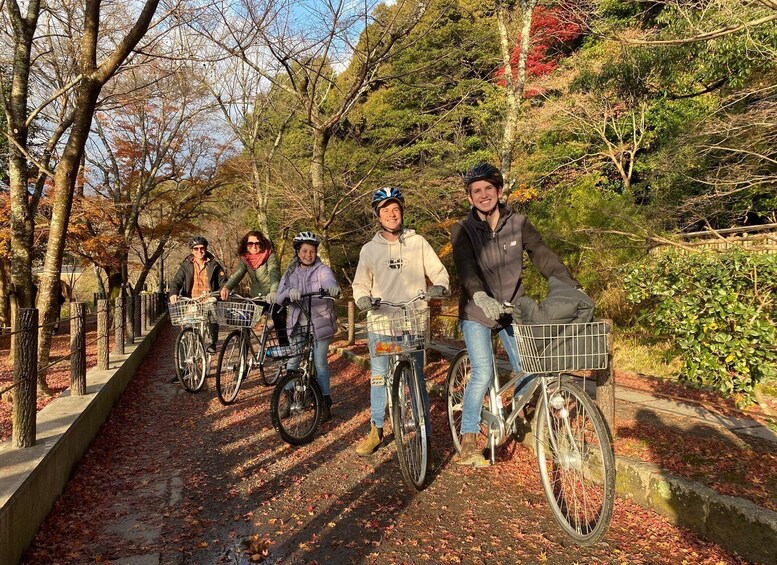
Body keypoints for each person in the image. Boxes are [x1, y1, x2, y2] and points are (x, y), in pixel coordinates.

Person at [450, 163, 581, 467]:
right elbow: (466, 267)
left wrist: (571, 286)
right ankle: (469, 440)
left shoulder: (519, 223)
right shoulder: (463, 230)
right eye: (476, 191)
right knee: (482, 370)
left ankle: (512, 411)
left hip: (512, 309)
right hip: (477, 311)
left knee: (529, 365)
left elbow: (543, 256)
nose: (483, 195)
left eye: (488, 188)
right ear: (470, 198)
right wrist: (480, 296)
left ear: (498, 191)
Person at [352, 187, 450, 456]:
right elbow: (360, 283)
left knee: (416, 378)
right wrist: (362, 298)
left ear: (402, 212)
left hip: (413, 322)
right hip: (383, 324)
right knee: (379, 377)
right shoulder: (369, 250)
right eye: (386, 210)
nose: (392, 214)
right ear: (378, 216)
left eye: (395, 209)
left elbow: (438, 271)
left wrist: (439, 286)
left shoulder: (418, 243)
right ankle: (376, 429)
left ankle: (424, 435)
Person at [275, 231, 340, 422]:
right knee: (293, 361)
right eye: (304, 251)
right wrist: (288, 292)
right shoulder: (290, 272)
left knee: (320, 363)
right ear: (297, 252)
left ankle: (325, 402)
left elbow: (329, 280)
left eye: (312, 251)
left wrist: (332, 288)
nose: (308, 255)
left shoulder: (322, 269)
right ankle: (287, 398)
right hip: (298, 325)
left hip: (320, 322)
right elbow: (279, 298)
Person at [219, 230, 286, 344]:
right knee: (244, 322)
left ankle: (285, 355)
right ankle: (243, 357)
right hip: (256, 297)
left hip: (272, 296)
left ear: (262, 244)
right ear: (246, 245)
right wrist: (227, 287)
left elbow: (274, 273)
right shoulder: (246, 258)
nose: (253, 246)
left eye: (257, 243)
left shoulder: (269, 255)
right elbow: (238, 273)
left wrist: (274, 291)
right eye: (250, 244)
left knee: (280, 324)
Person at [169, 236, 228, 354]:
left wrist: (223, 290)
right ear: (192, 251)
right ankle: (184, 366)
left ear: (205, 249)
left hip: (209, 299)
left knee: (212, 313)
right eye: (196, 249)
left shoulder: (214, 264)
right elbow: (176, 281)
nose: (199, 251)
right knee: (187, 330)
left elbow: (223, 282)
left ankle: (212, 342)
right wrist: (173, 293)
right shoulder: (186, 265)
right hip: (192, 300)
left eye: (202, 248)